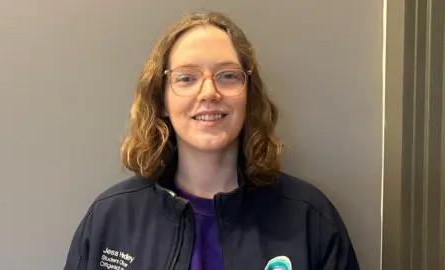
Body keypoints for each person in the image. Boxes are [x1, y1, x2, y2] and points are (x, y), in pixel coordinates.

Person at [64, 11, 360, 270]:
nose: (208, 92)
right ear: (162, 100)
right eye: (186, 78)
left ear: (248, 96)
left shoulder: (309, 217)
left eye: (228, 76)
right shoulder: (111, 218)